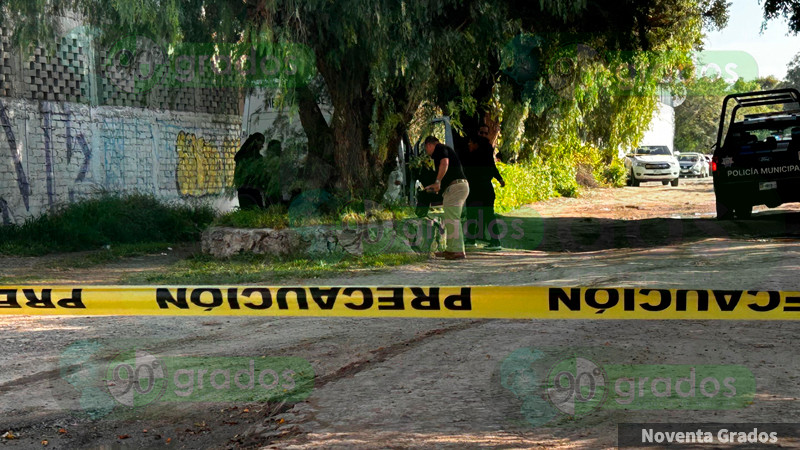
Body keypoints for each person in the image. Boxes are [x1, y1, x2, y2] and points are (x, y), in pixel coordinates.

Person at [424, 136, 470, 260]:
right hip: (458, 186)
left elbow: (445, 163)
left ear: (429, 145)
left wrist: (438, 181)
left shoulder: (440, 148)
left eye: (426, 149)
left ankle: (457, 251)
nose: (427, 153)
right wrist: (435, 186)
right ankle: (451, 249)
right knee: (451, 217)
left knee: (452, 218)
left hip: (455, 187)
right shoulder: (445, 149)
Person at [461, 133, 505, 250]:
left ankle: (473, 239)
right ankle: (494, 241)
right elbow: (493, 168)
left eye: (471, 142)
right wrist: (500, 179)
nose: (469, 144)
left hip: (476, 191)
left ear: (476, 145)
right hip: (486, 190)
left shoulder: (472, 158)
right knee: (487, 215)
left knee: (473, 214)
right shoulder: (486, 158)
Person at [233, 133, 266, 209]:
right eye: (261, 144)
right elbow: (260, 176)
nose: (261, 147)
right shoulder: (256, 159)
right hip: (252, 190)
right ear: (256, 142)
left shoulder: (241, 156)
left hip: (242, 190)